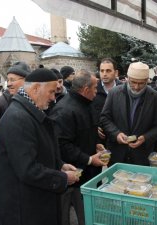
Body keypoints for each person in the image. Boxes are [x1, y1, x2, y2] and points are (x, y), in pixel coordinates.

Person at [0, 68, 80, 225]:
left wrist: (60, 166)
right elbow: (28, 169)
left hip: (33, 204)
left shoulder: (30, 112)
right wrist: (62, 179)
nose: (53, 98)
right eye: (51, 92)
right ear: (35, 89)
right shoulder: (17, 118)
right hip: (22, 211)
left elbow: (39, 151)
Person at [50, 69, 106, 225]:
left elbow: (85, 131)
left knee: (89, 215)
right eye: (95, 88)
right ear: (86, 90)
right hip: (73, 176)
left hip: (88, 174)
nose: (97, 91)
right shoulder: (64, 110)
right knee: (68, 216)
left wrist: (96, 143)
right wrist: (88, 159)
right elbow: (62, 145)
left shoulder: (87, 103)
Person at [100, 62, 157, 166]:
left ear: (147, 80)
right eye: (133, 82)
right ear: (127, 78)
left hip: (142, 155)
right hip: (118, 154)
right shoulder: (114, 93)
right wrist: (116, 134)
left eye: (141, 83)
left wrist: (145, 137)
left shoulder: (156, 97)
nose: (137, 87)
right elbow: (105, 118)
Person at [0, 61, 31, 165]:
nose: (8, 84)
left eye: (12, 80)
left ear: (26, 80)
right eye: (8, 80)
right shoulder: (0, 104)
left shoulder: (34, 101)